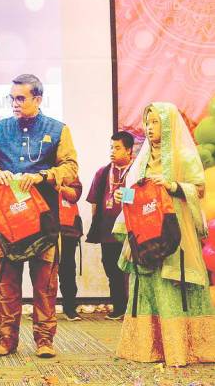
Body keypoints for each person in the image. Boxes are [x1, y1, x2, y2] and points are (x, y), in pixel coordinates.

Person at [0, 74, 78, 358]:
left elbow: (71, 167)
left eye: (20, 98)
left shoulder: (58, 129)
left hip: (43, 219)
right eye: (12, 98)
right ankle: (6, 340)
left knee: (44, 284)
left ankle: (45, 341)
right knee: (7, 283)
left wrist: (44, 176)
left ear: (38, 99)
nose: (15, 103)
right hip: (5, 220)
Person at [113, 102, 215, 367]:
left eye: (155, 122)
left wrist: (172, 185)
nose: (149, 128)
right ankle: (148, 348)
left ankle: (181, 349)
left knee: (173, 286)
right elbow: (136, 193)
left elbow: (199, 189)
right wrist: (122, 195)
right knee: (148, 286)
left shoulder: (184, 155)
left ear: (168, 125)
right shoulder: (142, 161)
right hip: (146, 236)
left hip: (174, 236)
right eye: (147, 122)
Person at [86, 131, 134, 320]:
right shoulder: (103, 172)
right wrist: (97, 225)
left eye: (117, 148)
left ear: (129, 150)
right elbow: (94, 203)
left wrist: (126, 197)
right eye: (111, 147)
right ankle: (119, 307)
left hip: (132, 229)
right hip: (108, 231)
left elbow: (142, 197)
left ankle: (133, 309)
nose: (112, 152)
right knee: (111, 268)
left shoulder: (137, 171)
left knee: (131, 269)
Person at [58, 178, 84, 321]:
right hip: (44, 226)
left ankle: (69, 308)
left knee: (67, 270)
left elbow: (75, 195)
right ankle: (42, 309)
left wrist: (59, 187)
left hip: (68, 228)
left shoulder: (69, 172)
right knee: (43, 272)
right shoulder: (38, 167)